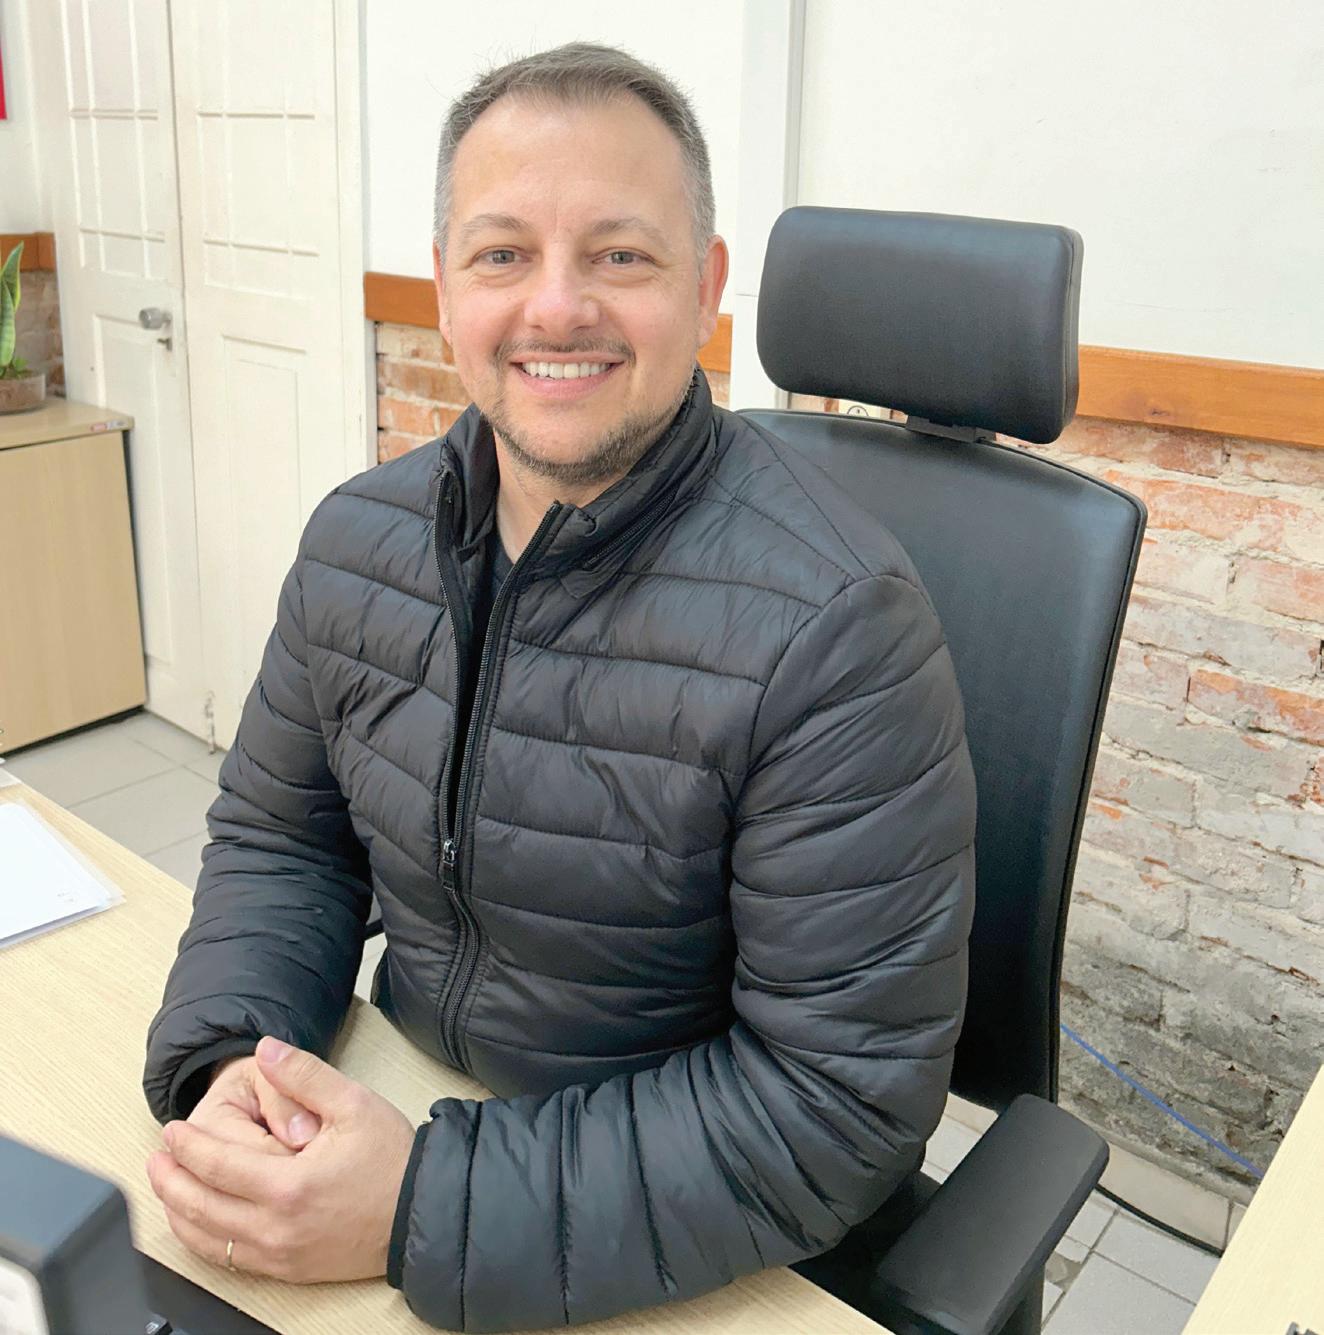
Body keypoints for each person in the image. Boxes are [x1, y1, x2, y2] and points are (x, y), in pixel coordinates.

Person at [143, 41, 977, 1331]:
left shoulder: (841, 627)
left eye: (620, 255)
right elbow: (283, 841)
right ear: (443, 286)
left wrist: (423, 1205)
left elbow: (832, 1101)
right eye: (502, 255)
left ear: (706, 288)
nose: (556, 307)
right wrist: (227, 1065)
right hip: (413, 1111)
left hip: (699, 1242)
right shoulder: (357, 541)